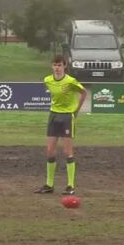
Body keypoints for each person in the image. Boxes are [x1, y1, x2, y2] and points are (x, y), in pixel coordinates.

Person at [35, 55, 87, 196]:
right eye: (55, 65)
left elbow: (84, 92)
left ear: (65, 66)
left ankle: (70, 185)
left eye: (59, 65)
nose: (57, 68)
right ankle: (49, 185)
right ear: (52, 66)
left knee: (67, 152)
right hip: (53, 115)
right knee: (50, 151)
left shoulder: (70, 81)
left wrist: (75, 110)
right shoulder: (48, 80)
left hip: (67, 117)